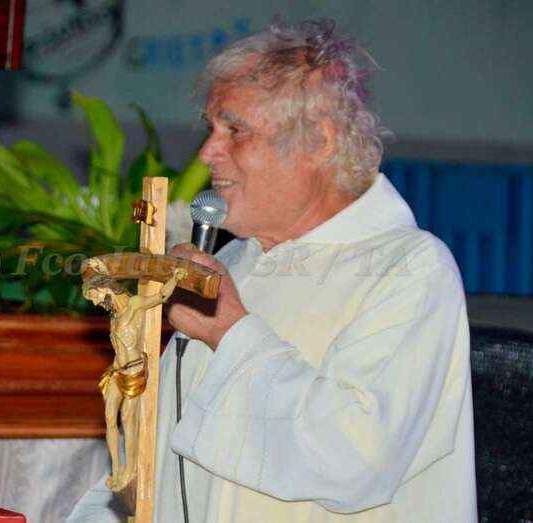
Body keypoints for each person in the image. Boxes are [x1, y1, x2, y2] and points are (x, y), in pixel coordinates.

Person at [70, 18, 477, 523]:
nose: (207, 152)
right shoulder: (234, 261)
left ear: (319, 141)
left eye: (235, 129)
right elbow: (160, 460)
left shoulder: (410, 270)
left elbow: (353, 458)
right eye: (210, 127)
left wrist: (229, 332)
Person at [82, 259, 188, 492]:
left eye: (95, 296)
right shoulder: (114, 314)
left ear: (105, 288)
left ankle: (131, 469)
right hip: (116, 371)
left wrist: (175, 278)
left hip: (133, 372)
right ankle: (116, 469)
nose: (96, 302)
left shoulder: (134, 305)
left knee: (128, 420)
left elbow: (161, 296)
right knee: (109, 418)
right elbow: (89, 269)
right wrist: (96, 267)